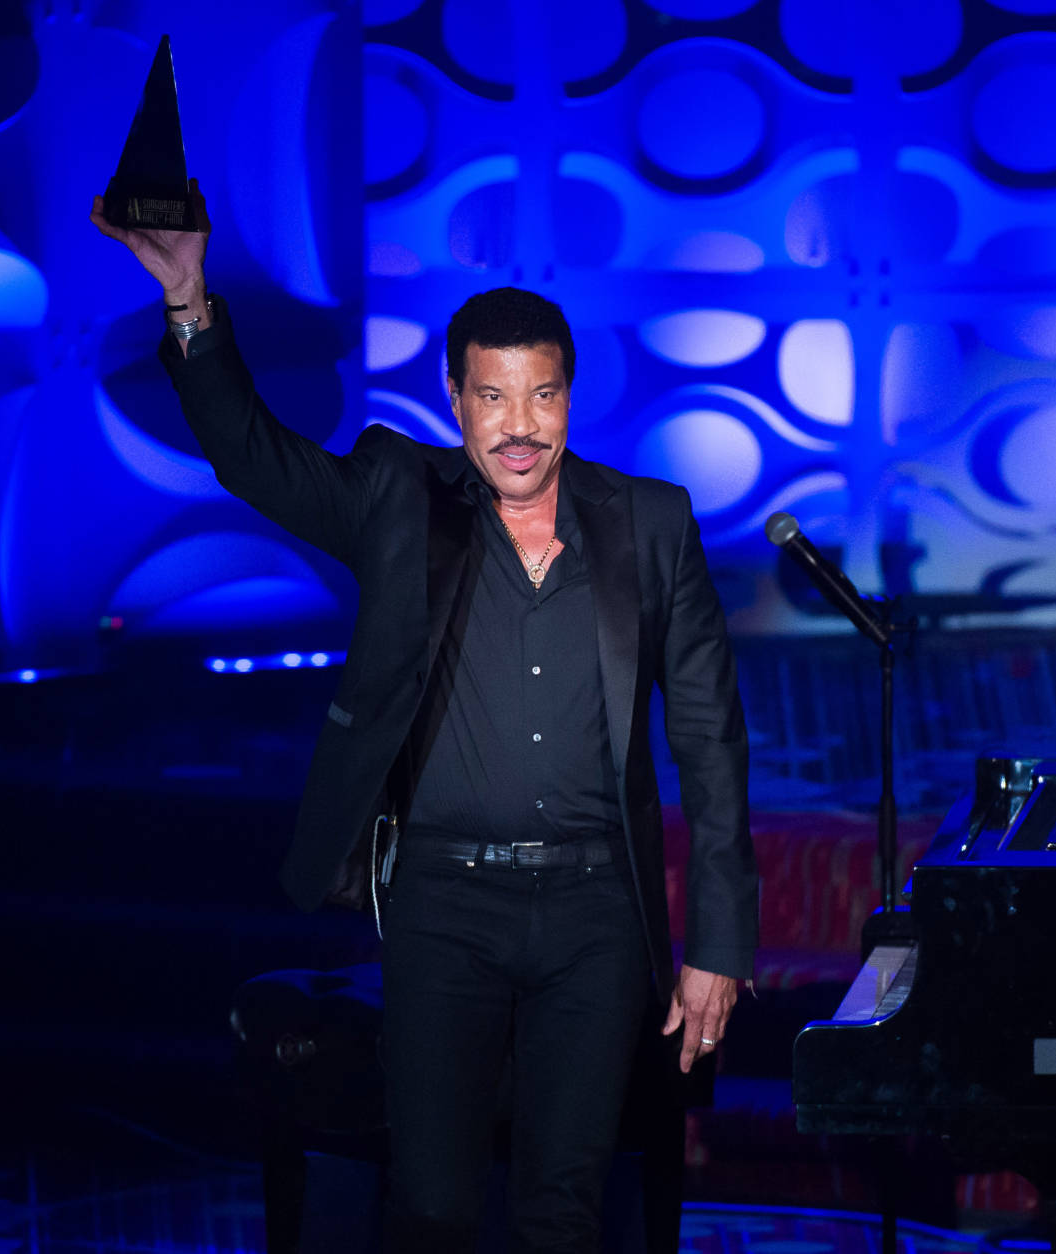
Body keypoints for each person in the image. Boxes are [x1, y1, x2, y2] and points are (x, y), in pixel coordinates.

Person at [91, 181, 758, 1252]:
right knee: (434, 1208)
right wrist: (188, 302)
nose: (520, 426)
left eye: (541, 396)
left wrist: (718, 942)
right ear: (455, 400)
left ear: (569, 397)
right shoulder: (398, 498)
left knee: (563, 1213)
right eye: (493, 397)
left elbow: (709, 740)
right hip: (445, 904)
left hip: (597, 910)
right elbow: (253, 455)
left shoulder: (650, 522)